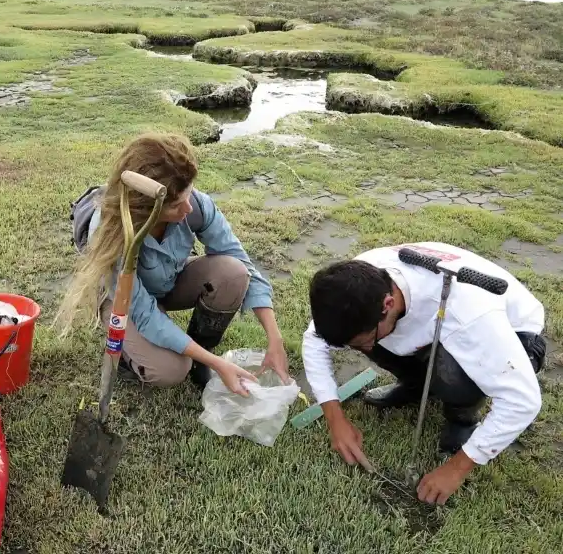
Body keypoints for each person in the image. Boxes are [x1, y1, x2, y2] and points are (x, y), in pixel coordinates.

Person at [302, 242, 547, 505]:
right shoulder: (354, 289)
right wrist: (335, 419)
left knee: (452, 371)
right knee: (376, 338)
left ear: (388, 303)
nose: (365, 350)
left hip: (515, 335)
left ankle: (462, 419)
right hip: (428, 324)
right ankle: (417, 387)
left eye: (364, 342)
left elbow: (523, 401)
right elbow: (314, 342)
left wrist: (457, 468)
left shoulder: (467, 315)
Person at [55, 133, 290, 396]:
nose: (188, 208)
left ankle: (201, 354)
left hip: (167, 279)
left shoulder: (195, 205)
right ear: (145, 209)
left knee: (233, 273)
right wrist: (219, 364)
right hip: (124, 302)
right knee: (171, 370)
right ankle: (129, 358)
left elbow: (240, 258)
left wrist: (274, 338)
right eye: (177, 205)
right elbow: (144, 314)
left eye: (189, 194)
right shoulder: (113, 233)